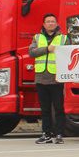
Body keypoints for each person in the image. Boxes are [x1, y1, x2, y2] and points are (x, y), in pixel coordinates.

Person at [29, 13, 67, 144]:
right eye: (48, 22)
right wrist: (47, 49)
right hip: (41, 78)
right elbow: (31, 52)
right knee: (44, 109)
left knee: (58, 108)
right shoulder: (37, 37)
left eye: (53, 21)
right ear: (44, 24)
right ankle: (46, 134)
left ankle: (59, 134)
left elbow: (69, 54)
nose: (51, 23)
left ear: (57, 24)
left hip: (56, 78)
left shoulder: (63, 38)